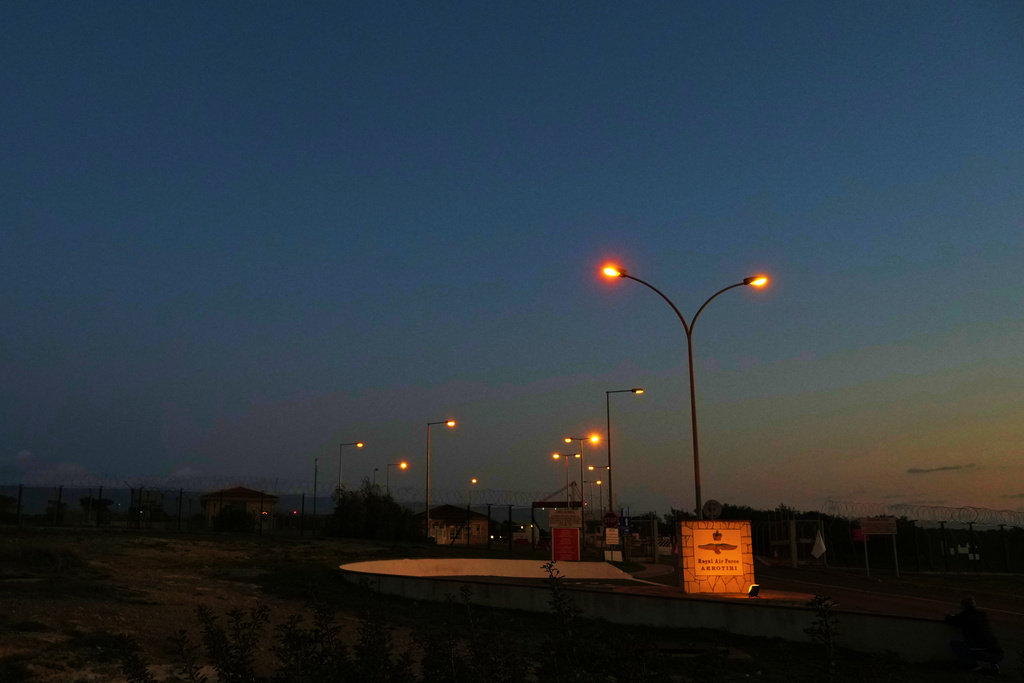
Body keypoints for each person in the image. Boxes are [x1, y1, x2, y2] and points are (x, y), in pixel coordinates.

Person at [945, 596, 1004, 675]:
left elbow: (951, 621)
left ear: (963, 606)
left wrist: (948, 615)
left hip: (980, 651)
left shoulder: (964, 616)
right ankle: (994, 664)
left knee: (955, 644)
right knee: (989, 646)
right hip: (998, 653)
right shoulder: (982, 614)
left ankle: (973, 666)